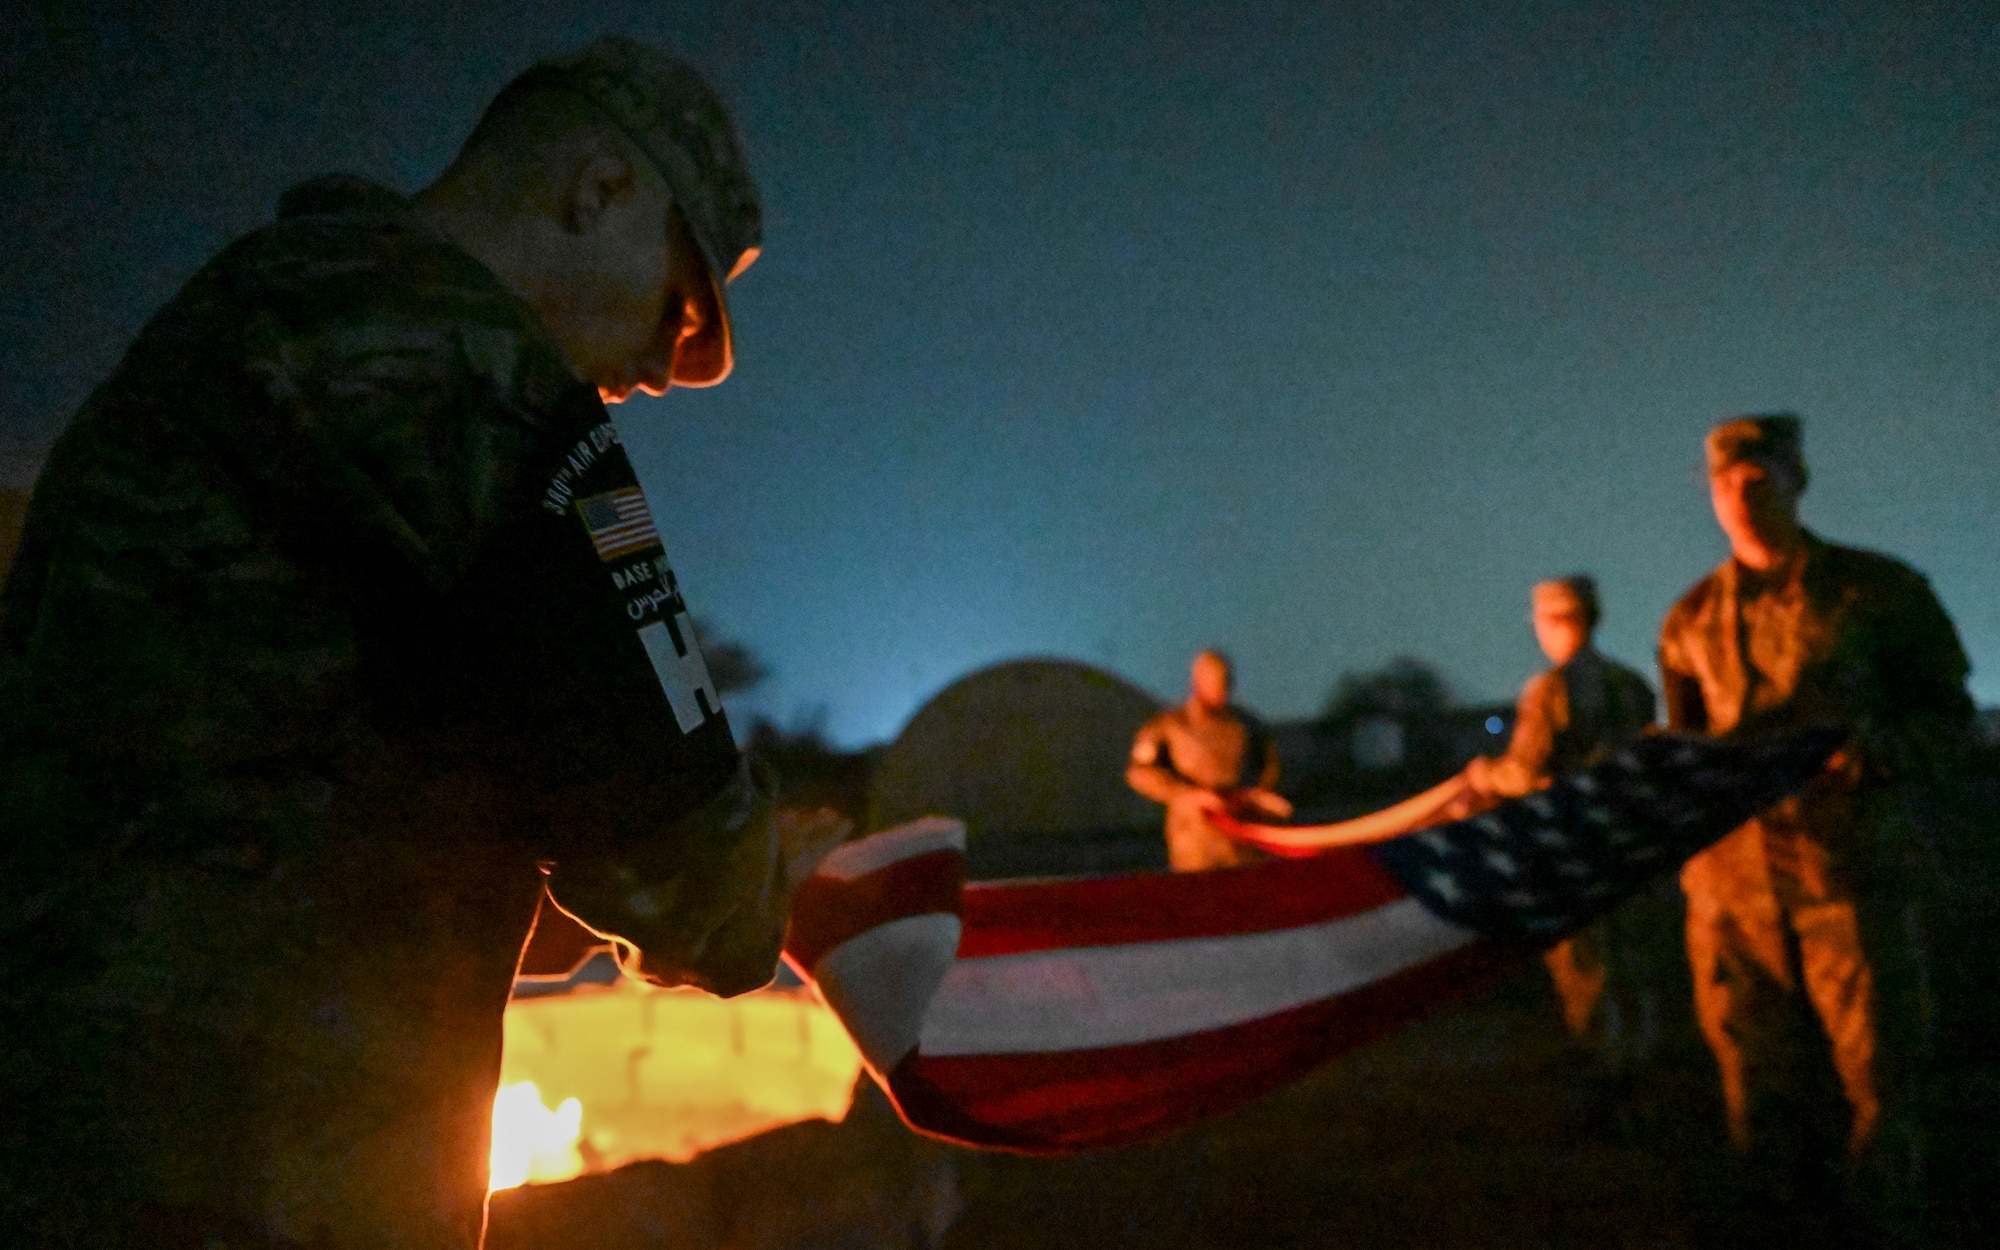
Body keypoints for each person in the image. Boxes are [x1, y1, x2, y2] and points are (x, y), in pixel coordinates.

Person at [0, 38, 843, 1250]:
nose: (667, 368)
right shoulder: (475, 374)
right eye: (680, 304)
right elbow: (683, 866)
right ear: (595, 188)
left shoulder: (232, 319)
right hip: (270, 1176)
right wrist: (784, 881)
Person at [1660, 414, 1975, 1236]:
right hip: (1733, 893)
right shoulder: (1689, 620)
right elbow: (1687, 756)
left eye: (1760, 479)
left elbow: (1951, 722)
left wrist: (1874, 752)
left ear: (1799, 481)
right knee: (1757, 1088)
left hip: (1853, 875)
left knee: (1883, 1078)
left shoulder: (1880, 593)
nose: (1741, 496)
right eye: (1725, 484)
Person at [1461, 576, 1659, 1054]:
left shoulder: (1550, 689)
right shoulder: (1631, 685)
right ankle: (1645, 1058)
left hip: (1572, 845)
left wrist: (1485, 775)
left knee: (1585, 964)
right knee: (1635, 957)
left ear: (1549, 624)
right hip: (1631, 838)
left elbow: (1524, 772)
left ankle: (1601, 1069)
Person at [1127, 650, 1291, 871]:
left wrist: (1257, 796)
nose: (1223, 688)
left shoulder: (1247, 725)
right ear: (1197, 681)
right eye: (1216, 681)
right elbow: (1140, 772)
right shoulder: (1171, 726)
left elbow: (1270, 765)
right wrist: (1187, 795)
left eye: (1227, 681)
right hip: (1195, 840)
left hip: (1243, 836)